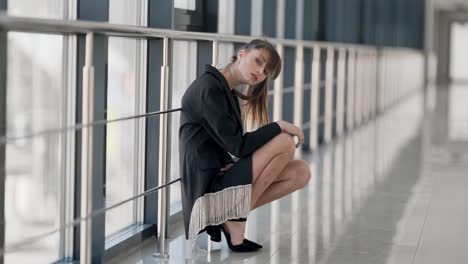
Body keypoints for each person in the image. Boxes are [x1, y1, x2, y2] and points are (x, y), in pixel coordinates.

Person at [179, 39, 311, 252]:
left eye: (265, 71)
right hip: (206, 193)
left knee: (301, 172)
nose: (260, 72)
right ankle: (236, 221)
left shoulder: (225, 91)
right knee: (285, 142)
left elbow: (223, 143)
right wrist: (278, 125)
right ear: (241, 54)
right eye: (258, 61)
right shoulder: (209, 88)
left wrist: (230, 163)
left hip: (219, 177)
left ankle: (233, 216)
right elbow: (238, 146)